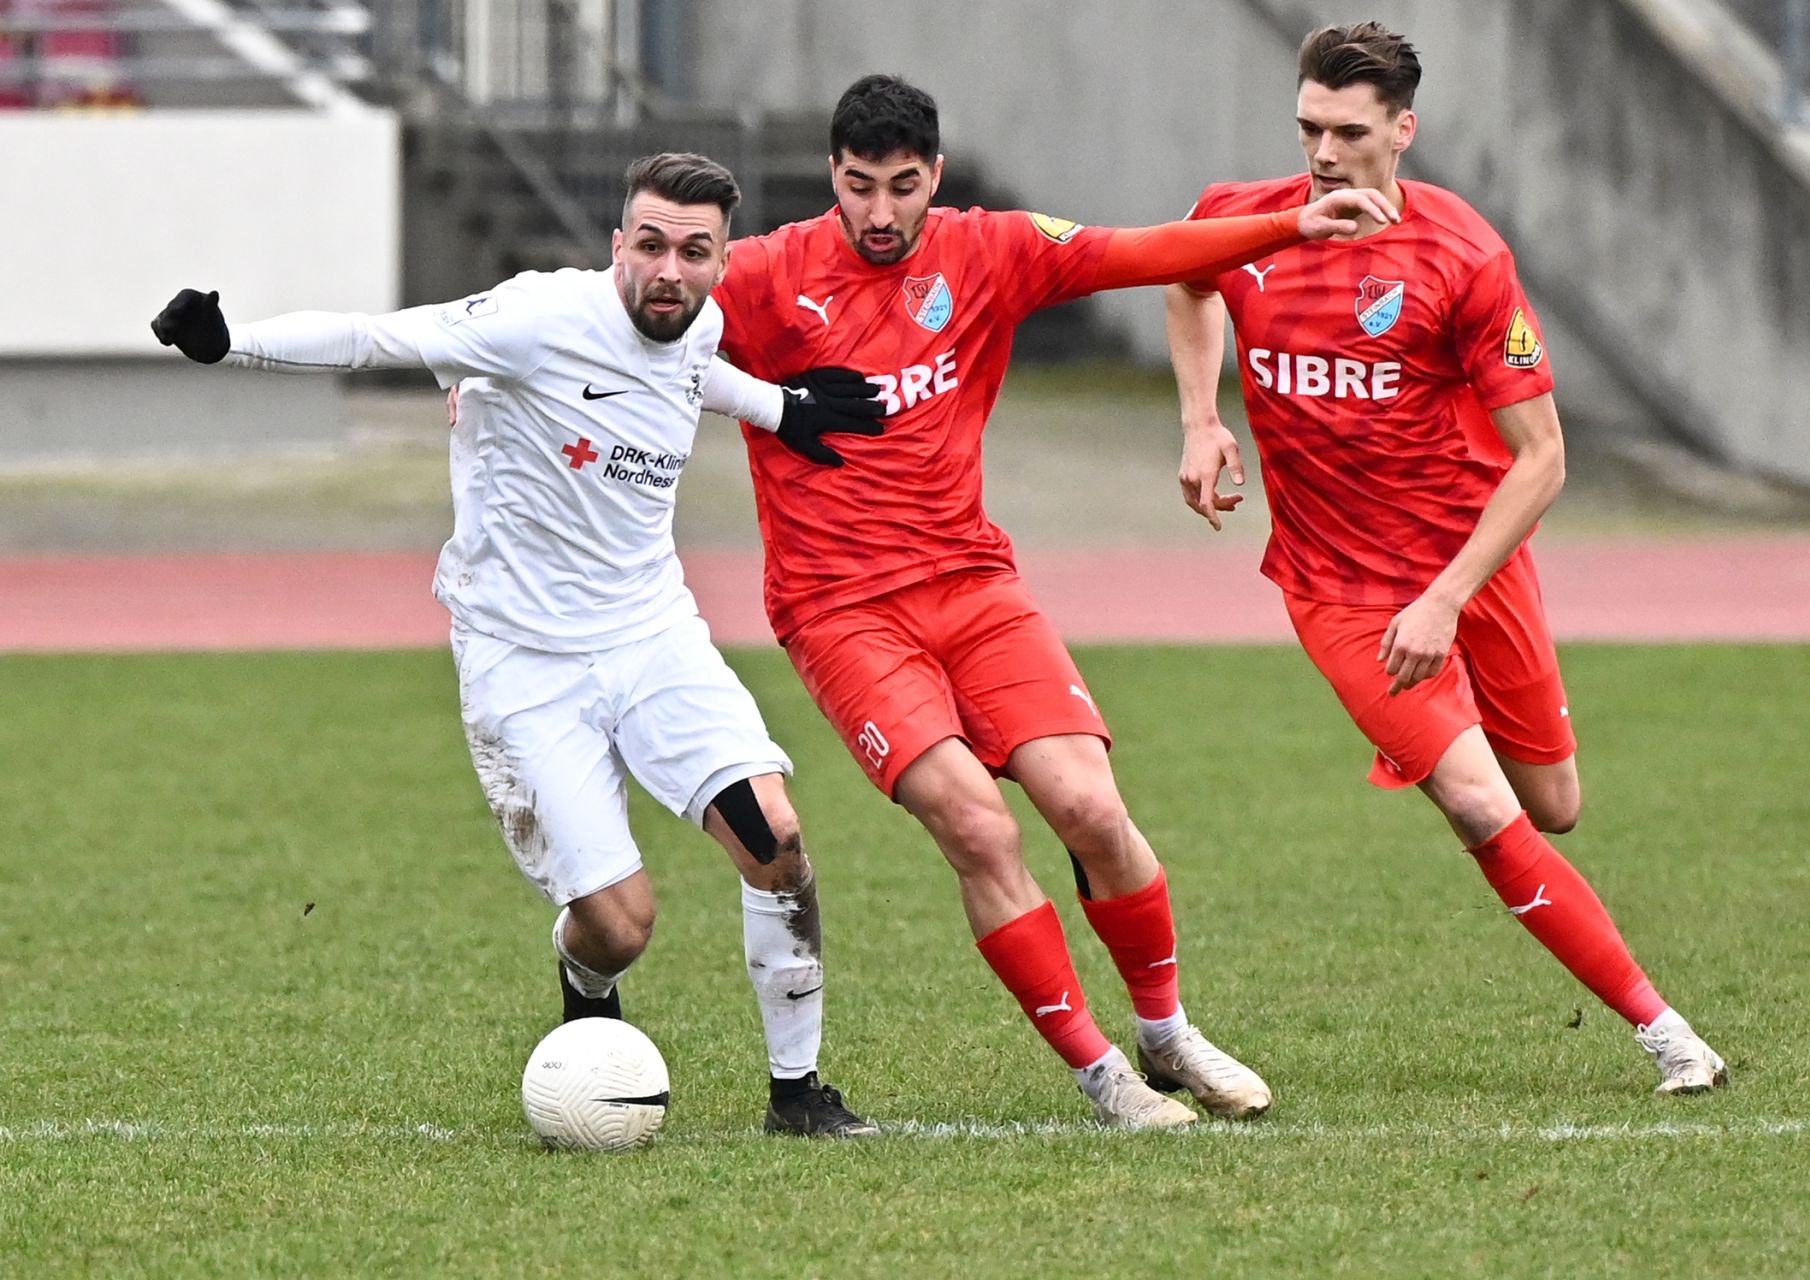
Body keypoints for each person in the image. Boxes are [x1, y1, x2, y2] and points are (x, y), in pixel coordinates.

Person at [150, 152, 888, 1135]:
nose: (670, 270)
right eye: (653, 244)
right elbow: (376, 338)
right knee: (621, 925)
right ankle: (587, 984)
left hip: (651, 633)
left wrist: (783, 408)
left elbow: (690, 372)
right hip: (522, 659)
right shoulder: (536, 319)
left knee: (779, 845)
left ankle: (797, 1094)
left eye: (696, 251)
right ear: (619, 243)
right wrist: (228, 341)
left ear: (719, 260)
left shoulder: (698, 320)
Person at [710, 75, 1398, 1128]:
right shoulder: (763, 275)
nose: (881, 213)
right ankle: (1100, 1075)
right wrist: (483, 375)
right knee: (977, 826)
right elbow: (619, 314)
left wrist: (1290, 227)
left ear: (934, 177)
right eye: (859, 188)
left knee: (1089, 807)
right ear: (831, 181)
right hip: (841, 608)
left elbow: (1142, 251)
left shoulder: (988, 248)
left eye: (902, 187)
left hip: (975, 582)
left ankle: (1165, 1032)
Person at [1164, 23, 1727, 1094]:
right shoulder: (1246, 220)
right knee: (1478, 804)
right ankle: (1669, 1035)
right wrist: (1201, 417)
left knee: (1552, 803)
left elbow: (1544, 458)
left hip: (1472, 566)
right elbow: (1188, 281)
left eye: (1348, 131)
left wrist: (1446, 596)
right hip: (1339, 589)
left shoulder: (1463, 254)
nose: (1323, 153)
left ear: (1404, 130)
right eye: (1308, 128)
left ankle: (1591, 926)